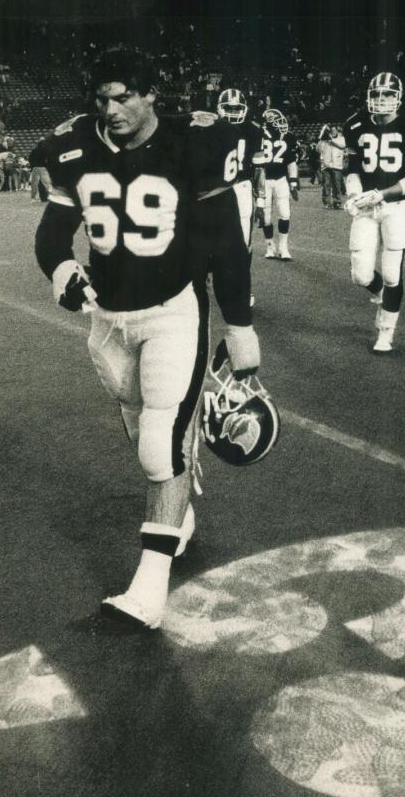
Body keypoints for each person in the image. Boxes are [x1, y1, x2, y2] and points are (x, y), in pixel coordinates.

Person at [34, 46, 262, 631]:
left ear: (151, 93)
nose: (110, 109)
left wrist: (239, 328)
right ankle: (179, 507)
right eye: (102, 98)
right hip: (107, 320)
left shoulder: (193, 143)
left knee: (159, 445)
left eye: (123, 96)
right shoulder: (72, 147)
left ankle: (148, 592)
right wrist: (60, 270)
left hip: (173, 312)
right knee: (141, 429)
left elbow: (228, 244)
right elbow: (53, 234)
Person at [343, 72, 405, 352]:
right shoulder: (354, 124)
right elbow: (352, 169)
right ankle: (379, 293)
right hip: (366, 205)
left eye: (388, 95)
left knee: (393, 274)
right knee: (361, 275)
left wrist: (383, 194)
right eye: (377, 94)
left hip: (395, 205)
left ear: (398, 98)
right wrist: (355, 194)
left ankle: (386, 332)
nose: (381, 100)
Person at [212, 87, 267, 247]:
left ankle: (242, 269)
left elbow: (259, 169)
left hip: (242, 185)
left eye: (237, 108)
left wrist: (261, 203)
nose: (233, 112)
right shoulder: (210, 128)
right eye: (229, 108)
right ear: (220, 108)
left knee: (243, 238)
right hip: (215, 187)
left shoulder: (254, 130)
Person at [259, 108, 300, 260]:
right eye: (277, 121)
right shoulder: (259, 136)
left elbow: (291, 161)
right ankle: (270, 245)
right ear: (268, 123)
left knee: (285, 213)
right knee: (266, 217)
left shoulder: (288, 137)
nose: (281, 124)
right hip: (264, 179)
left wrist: (294, 181)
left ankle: (283, 247)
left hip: (281, 179)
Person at [318, 124, 346, 209]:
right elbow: (318, 149)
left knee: (337, 185)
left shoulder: (341, 139)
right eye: (331, 131)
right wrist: (320, 138)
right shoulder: (324, 140)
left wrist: (332, 140)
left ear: (337, 131)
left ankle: (337, 202)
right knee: (326, 185)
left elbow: (342, 146)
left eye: (334, 130)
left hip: (337, 165)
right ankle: (327, 203)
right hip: (326, 165)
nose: (333, 132)